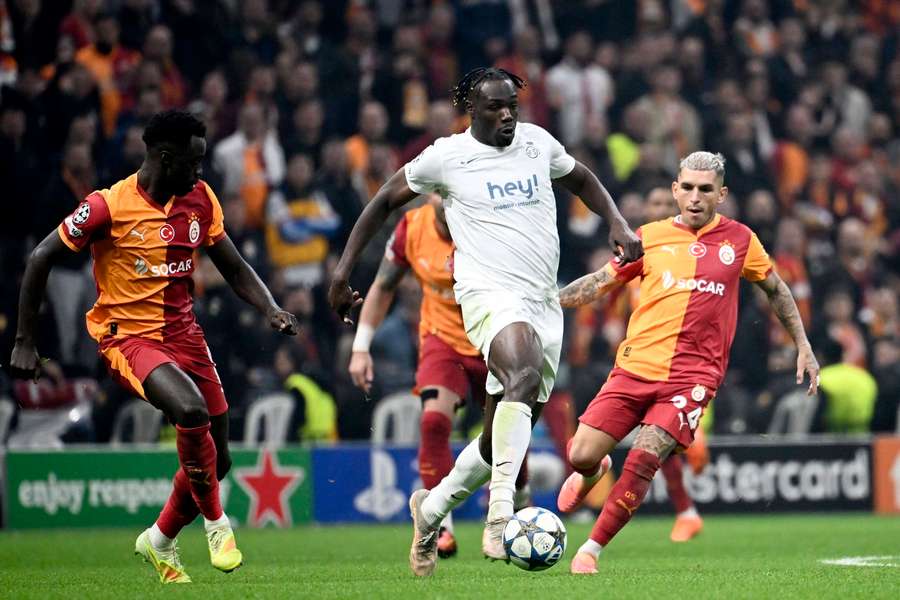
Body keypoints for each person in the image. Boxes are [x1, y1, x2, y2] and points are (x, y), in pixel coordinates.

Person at [327, 67, 642, 577]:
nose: (507, 115)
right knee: (520, 376)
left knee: (500, 434)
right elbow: (383, 200)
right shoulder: (447, 157)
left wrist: (617, 221)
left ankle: (428, 512)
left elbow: (581, 177)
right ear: (472, 110)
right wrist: (343, 274)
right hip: (487, 295)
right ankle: (501, 518)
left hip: (542, 299)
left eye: (513, 106)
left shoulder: (537, 143)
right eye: (496, 107)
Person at [9, 110, 300, 584]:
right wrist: (25, 340)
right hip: (127, 336)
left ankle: (159, 539)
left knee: (219, 459)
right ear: (166, 157)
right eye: (194, 161)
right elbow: (41, 256)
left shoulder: (199, 199)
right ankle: (217, 526)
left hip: (186, 336)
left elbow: (232, 263)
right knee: (190, 412)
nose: (200, 171)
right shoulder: (108, 206)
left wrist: (270, 308)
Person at [556, 151, 819, 574]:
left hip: (692, 378)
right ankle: (593, 471)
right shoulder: (648, 236)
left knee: (645, 458)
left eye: (706, 190)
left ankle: (591, 550)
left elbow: (776, 289)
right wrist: (547, 301)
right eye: (689, 188)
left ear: (722, 194)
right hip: (635, 367)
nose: (696, 198)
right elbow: (601, 283)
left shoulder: (740, 240)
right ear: (676, 190)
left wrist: (803, 345)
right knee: (581, 455)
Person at [348, 194, 531, 558]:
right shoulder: (411, 228)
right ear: (430, 193)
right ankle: (438, 525)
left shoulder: (490, 225)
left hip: (493, 336)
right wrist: (360, 347)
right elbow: (384, 286)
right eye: (440, 193)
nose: (448, 201)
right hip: (442, 339)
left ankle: (518, 500)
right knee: (433, 421)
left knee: (503, 431)